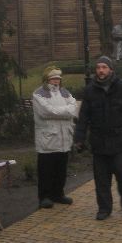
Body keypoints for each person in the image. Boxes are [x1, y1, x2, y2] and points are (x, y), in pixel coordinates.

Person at [74, 56, 122, 220]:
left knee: (120, 170)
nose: (101, 70)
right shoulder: (90, 91)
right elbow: (84, 116)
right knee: (101, 177)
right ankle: (104, 208)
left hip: (119, 140)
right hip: (99, 141)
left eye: (104, 67)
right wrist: (79, 138)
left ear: (111, 69)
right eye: (98, 67)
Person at [32, 65, 78, 209]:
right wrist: (66, 111)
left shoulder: (65, 93)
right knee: (46, 170)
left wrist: (59, 111)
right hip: (48, 139)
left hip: (64, 138)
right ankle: (44, 196)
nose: (56, 81)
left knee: (61, 169)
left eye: (58, 78)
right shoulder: (38, 94)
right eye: (53, 78)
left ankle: (58, 194)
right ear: (47, 79)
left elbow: (74, 108)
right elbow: (46, 112)